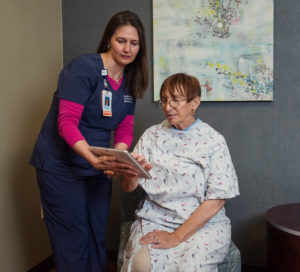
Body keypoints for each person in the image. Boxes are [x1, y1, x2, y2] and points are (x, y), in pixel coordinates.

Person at [30, 10, 148, 272]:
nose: (127, 48)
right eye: (121, 40)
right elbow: (66, 122)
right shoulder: (83, 69)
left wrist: (118, 156)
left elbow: (125, 127)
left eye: (134, 43)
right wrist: (92, 157)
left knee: (96, 231)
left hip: (97, 165)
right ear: (109, 39)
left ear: (140, 47)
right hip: (62, 164)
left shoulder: (130, 80)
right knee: (72, 236)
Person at [118, 73, 239, 272]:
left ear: (195, 102)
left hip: (202, 225)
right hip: (156, 218)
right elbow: (127, 187)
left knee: (191, 267)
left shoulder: (213, 141)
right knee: (141, 266)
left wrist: (176, 237)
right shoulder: (152, 135)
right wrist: (130, 173)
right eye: (164, 100)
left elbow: (217, 199)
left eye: (176, 100)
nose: (167, 107)